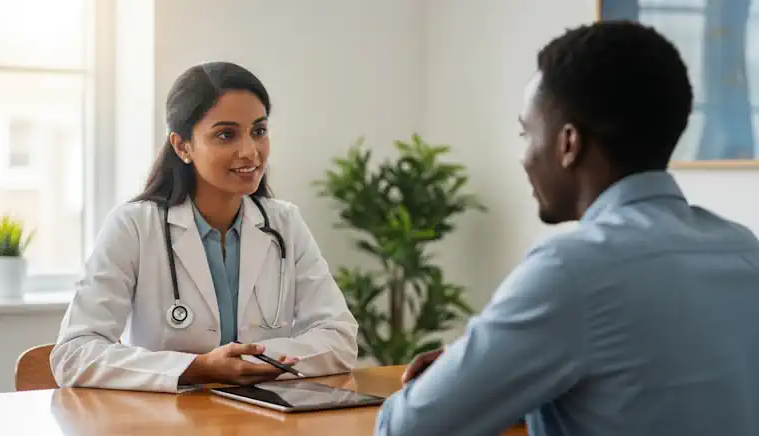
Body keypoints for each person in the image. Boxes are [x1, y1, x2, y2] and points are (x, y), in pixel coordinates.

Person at [375, 21, 759, 436]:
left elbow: (409, 429)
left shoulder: (571, 270)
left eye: (527, 133)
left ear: (568, 144)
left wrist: (452, 377)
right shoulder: (742, 249)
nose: (523, 157)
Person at [50, 61, 359, 393]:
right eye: (226, 135)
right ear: (182, 146)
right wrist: (194, 368)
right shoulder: (134, 227)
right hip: (163, 421)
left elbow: (339, 337)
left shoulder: (284, 224)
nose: (250, 151)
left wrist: (252, 363)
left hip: (263, 421)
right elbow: (74, 353)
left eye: (259, 131)